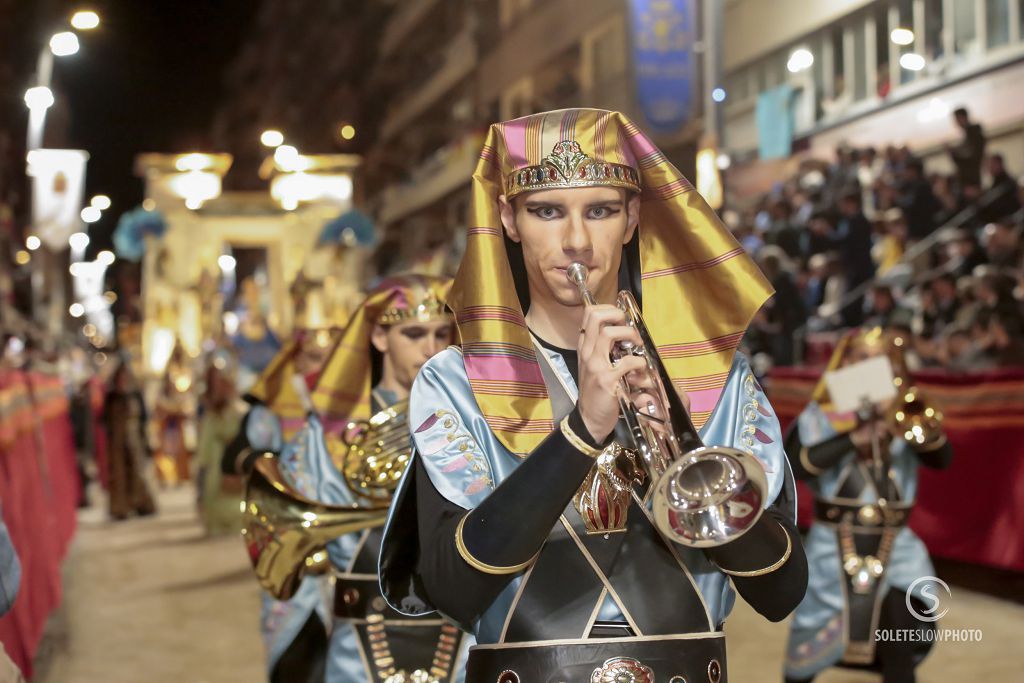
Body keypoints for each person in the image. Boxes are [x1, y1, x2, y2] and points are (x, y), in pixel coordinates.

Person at [379, 109, 807, 681]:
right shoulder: (452, 381)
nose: (576, 241)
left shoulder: (717, 378)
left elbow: (781, 593)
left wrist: (680, 453)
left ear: (633, 219)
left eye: (600, 210)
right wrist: (582, 431)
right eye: (547, 212)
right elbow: (454, 586)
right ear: (508, 219)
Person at [270, 275, 470, 683]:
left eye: (440, 333)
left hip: (460, 635)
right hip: (360, 642)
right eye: (412, 334)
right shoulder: (325, 438)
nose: (430, 349)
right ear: (379, 336)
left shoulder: (472, 422)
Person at [783, 327, 953, 682]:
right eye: (860, 358)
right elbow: (794, 466)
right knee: (804, 657)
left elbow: (941, 459)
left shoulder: (905, 407)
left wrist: (900, 420)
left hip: (897, 551)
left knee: (901, 640)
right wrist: (854, 435)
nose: (869, 366)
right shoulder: (820, 414)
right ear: (844, 362)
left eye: (879, 361)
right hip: (832, 548)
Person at [226, 326, 340, 683]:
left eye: (331, 359)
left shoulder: (357, 403)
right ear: (295, 360)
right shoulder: (272, 409)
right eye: (313, 358)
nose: (321, 369)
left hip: (347, 554)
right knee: (295, 658)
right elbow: (233, 458)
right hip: (294, 557)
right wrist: (279, 466)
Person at [194, 351, 245, 535]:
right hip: (214, 457)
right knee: (213, 486)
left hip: (231, 455)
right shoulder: (208, 410)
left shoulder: (237, 409)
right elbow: (205, 445)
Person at [103, 358, 156, 521]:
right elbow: (105, 419)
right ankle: (121, 507)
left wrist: (145, 437)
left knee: (137, 471)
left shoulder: (135, 394)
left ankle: (141, 503)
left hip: (134, 438)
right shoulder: (111, 397)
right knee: (119, 474)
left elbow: (143, 419)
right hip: (117, 441)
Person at [948, 107, 986, 194]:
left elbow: (970, 155)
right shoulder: (971, 133)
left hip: (971, 177)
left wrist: (954, 152)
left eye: (957, 119)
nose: (956, 122)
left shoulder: (973, 132)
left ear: (962, 117)